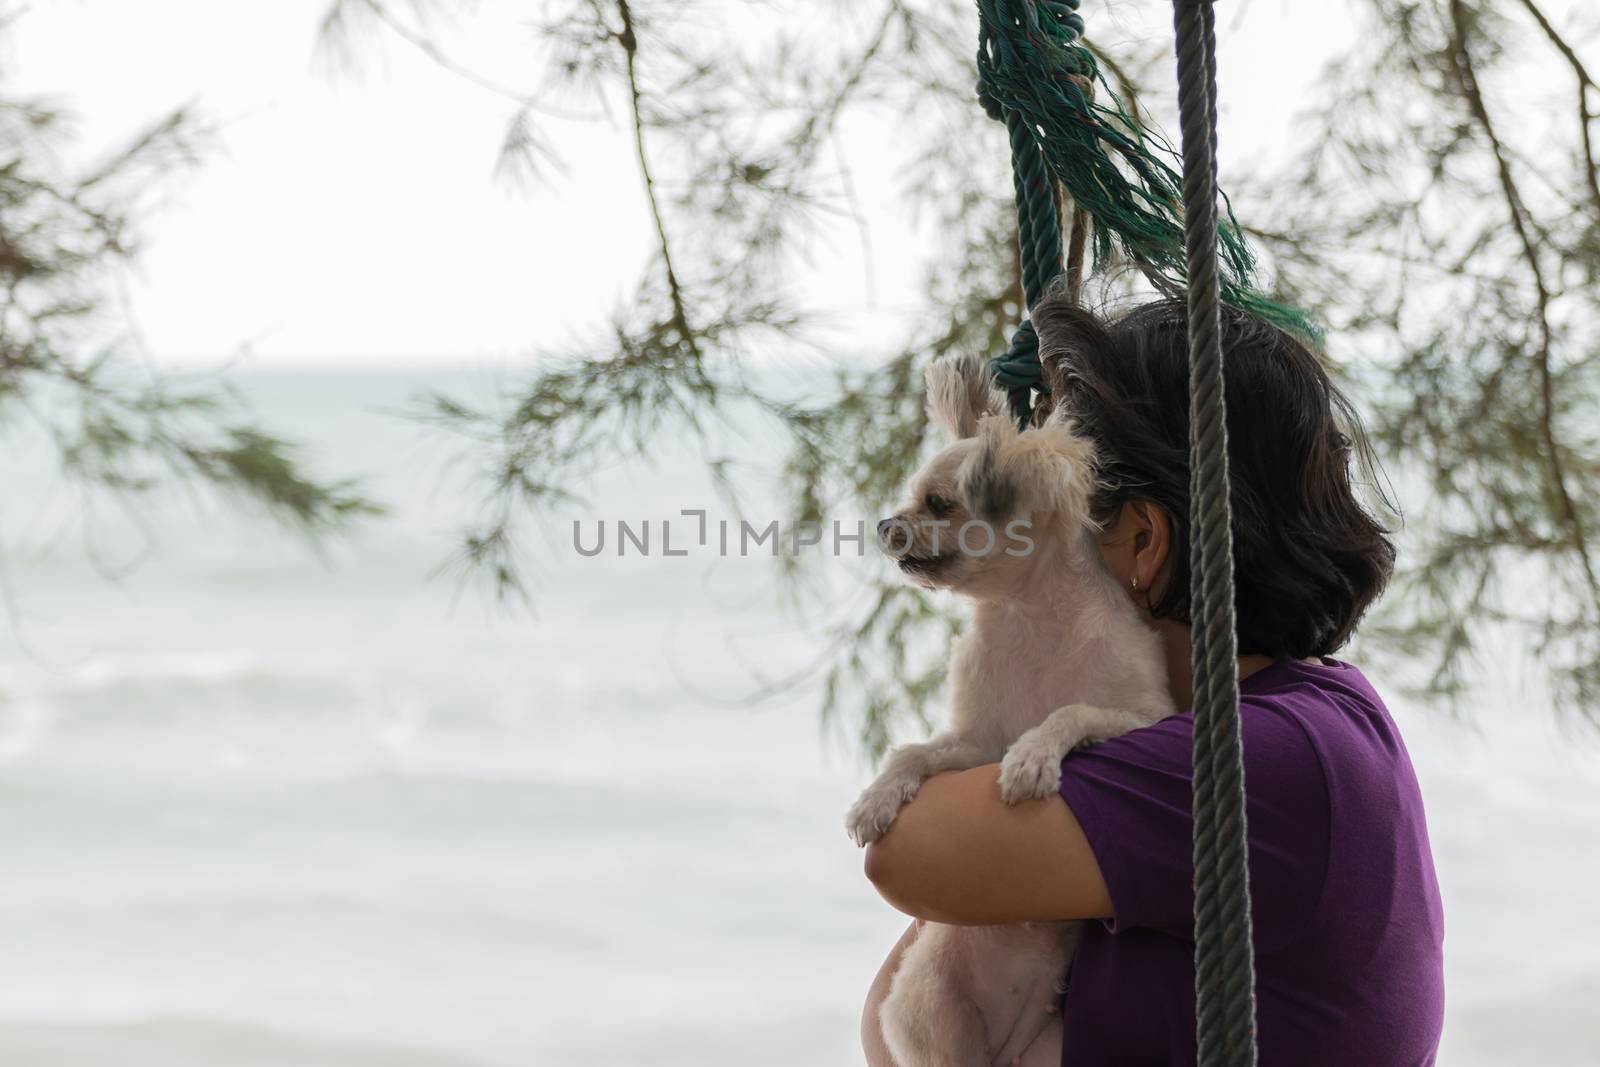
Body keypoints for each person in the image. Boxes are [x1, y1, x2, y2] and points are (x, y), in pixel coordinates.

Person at [859, 295, 1445, 1066]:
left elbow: (907, 854)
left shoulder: (1265, 758)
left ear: (1142, 540)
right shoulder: (1319, 719)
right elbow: (909, 1005)